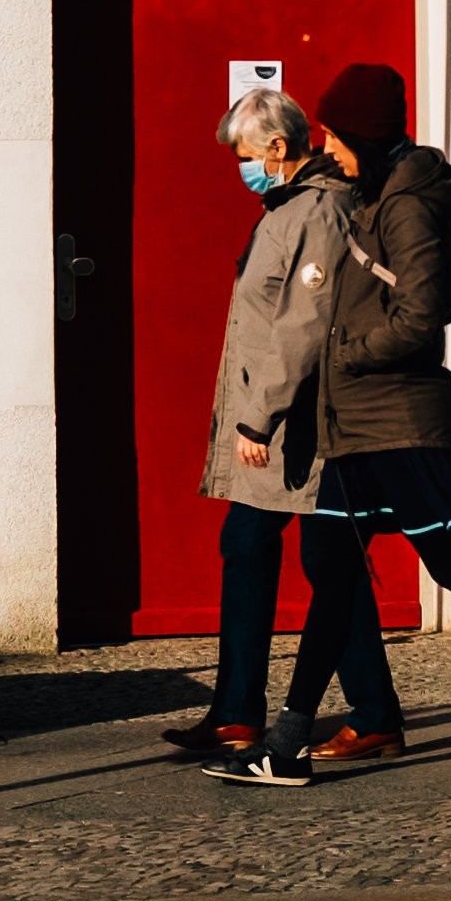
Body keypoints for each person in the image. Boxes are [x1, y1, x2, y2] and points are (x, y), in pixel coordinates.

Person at [210, 59, 451, 791]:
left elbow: (418, 318)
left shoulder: (408, 204)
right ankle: (286, 744)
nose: (327, 143)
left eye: (335, 132)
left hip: (401, 425)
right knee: (331, 573)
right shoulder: (369, 191)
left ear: (363, 133)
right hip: (356, 427)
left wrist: (340, 353)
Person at [162, 84, 407, 764]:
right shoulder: (287, 208)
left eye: (244, 154)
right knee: (251, 548)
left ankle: (372, 713)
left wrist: (257, 417)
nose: (240, 167)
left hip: (300, 422)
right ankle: (237, 711)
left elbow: (301, 327)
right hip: (276, 419)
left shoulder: (319, 212)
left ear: (276, 147)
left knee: (323, 561)